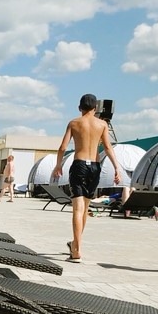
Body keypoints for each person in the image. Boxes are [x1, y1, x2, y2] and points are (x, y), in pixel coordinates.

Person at [52, 93, 121, 263]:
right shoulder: (102, 124)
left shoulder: (74, 123)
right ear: (95, 109)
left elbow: (62, 147)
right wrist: (116, 168)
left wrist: (58, 165)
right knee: (85, 209)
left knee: (78, 209)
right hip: (95, 167)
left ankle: (76, 250)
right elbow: (108, 147)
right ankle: (75, 244)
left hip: (80, 165)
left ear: (79, 108)